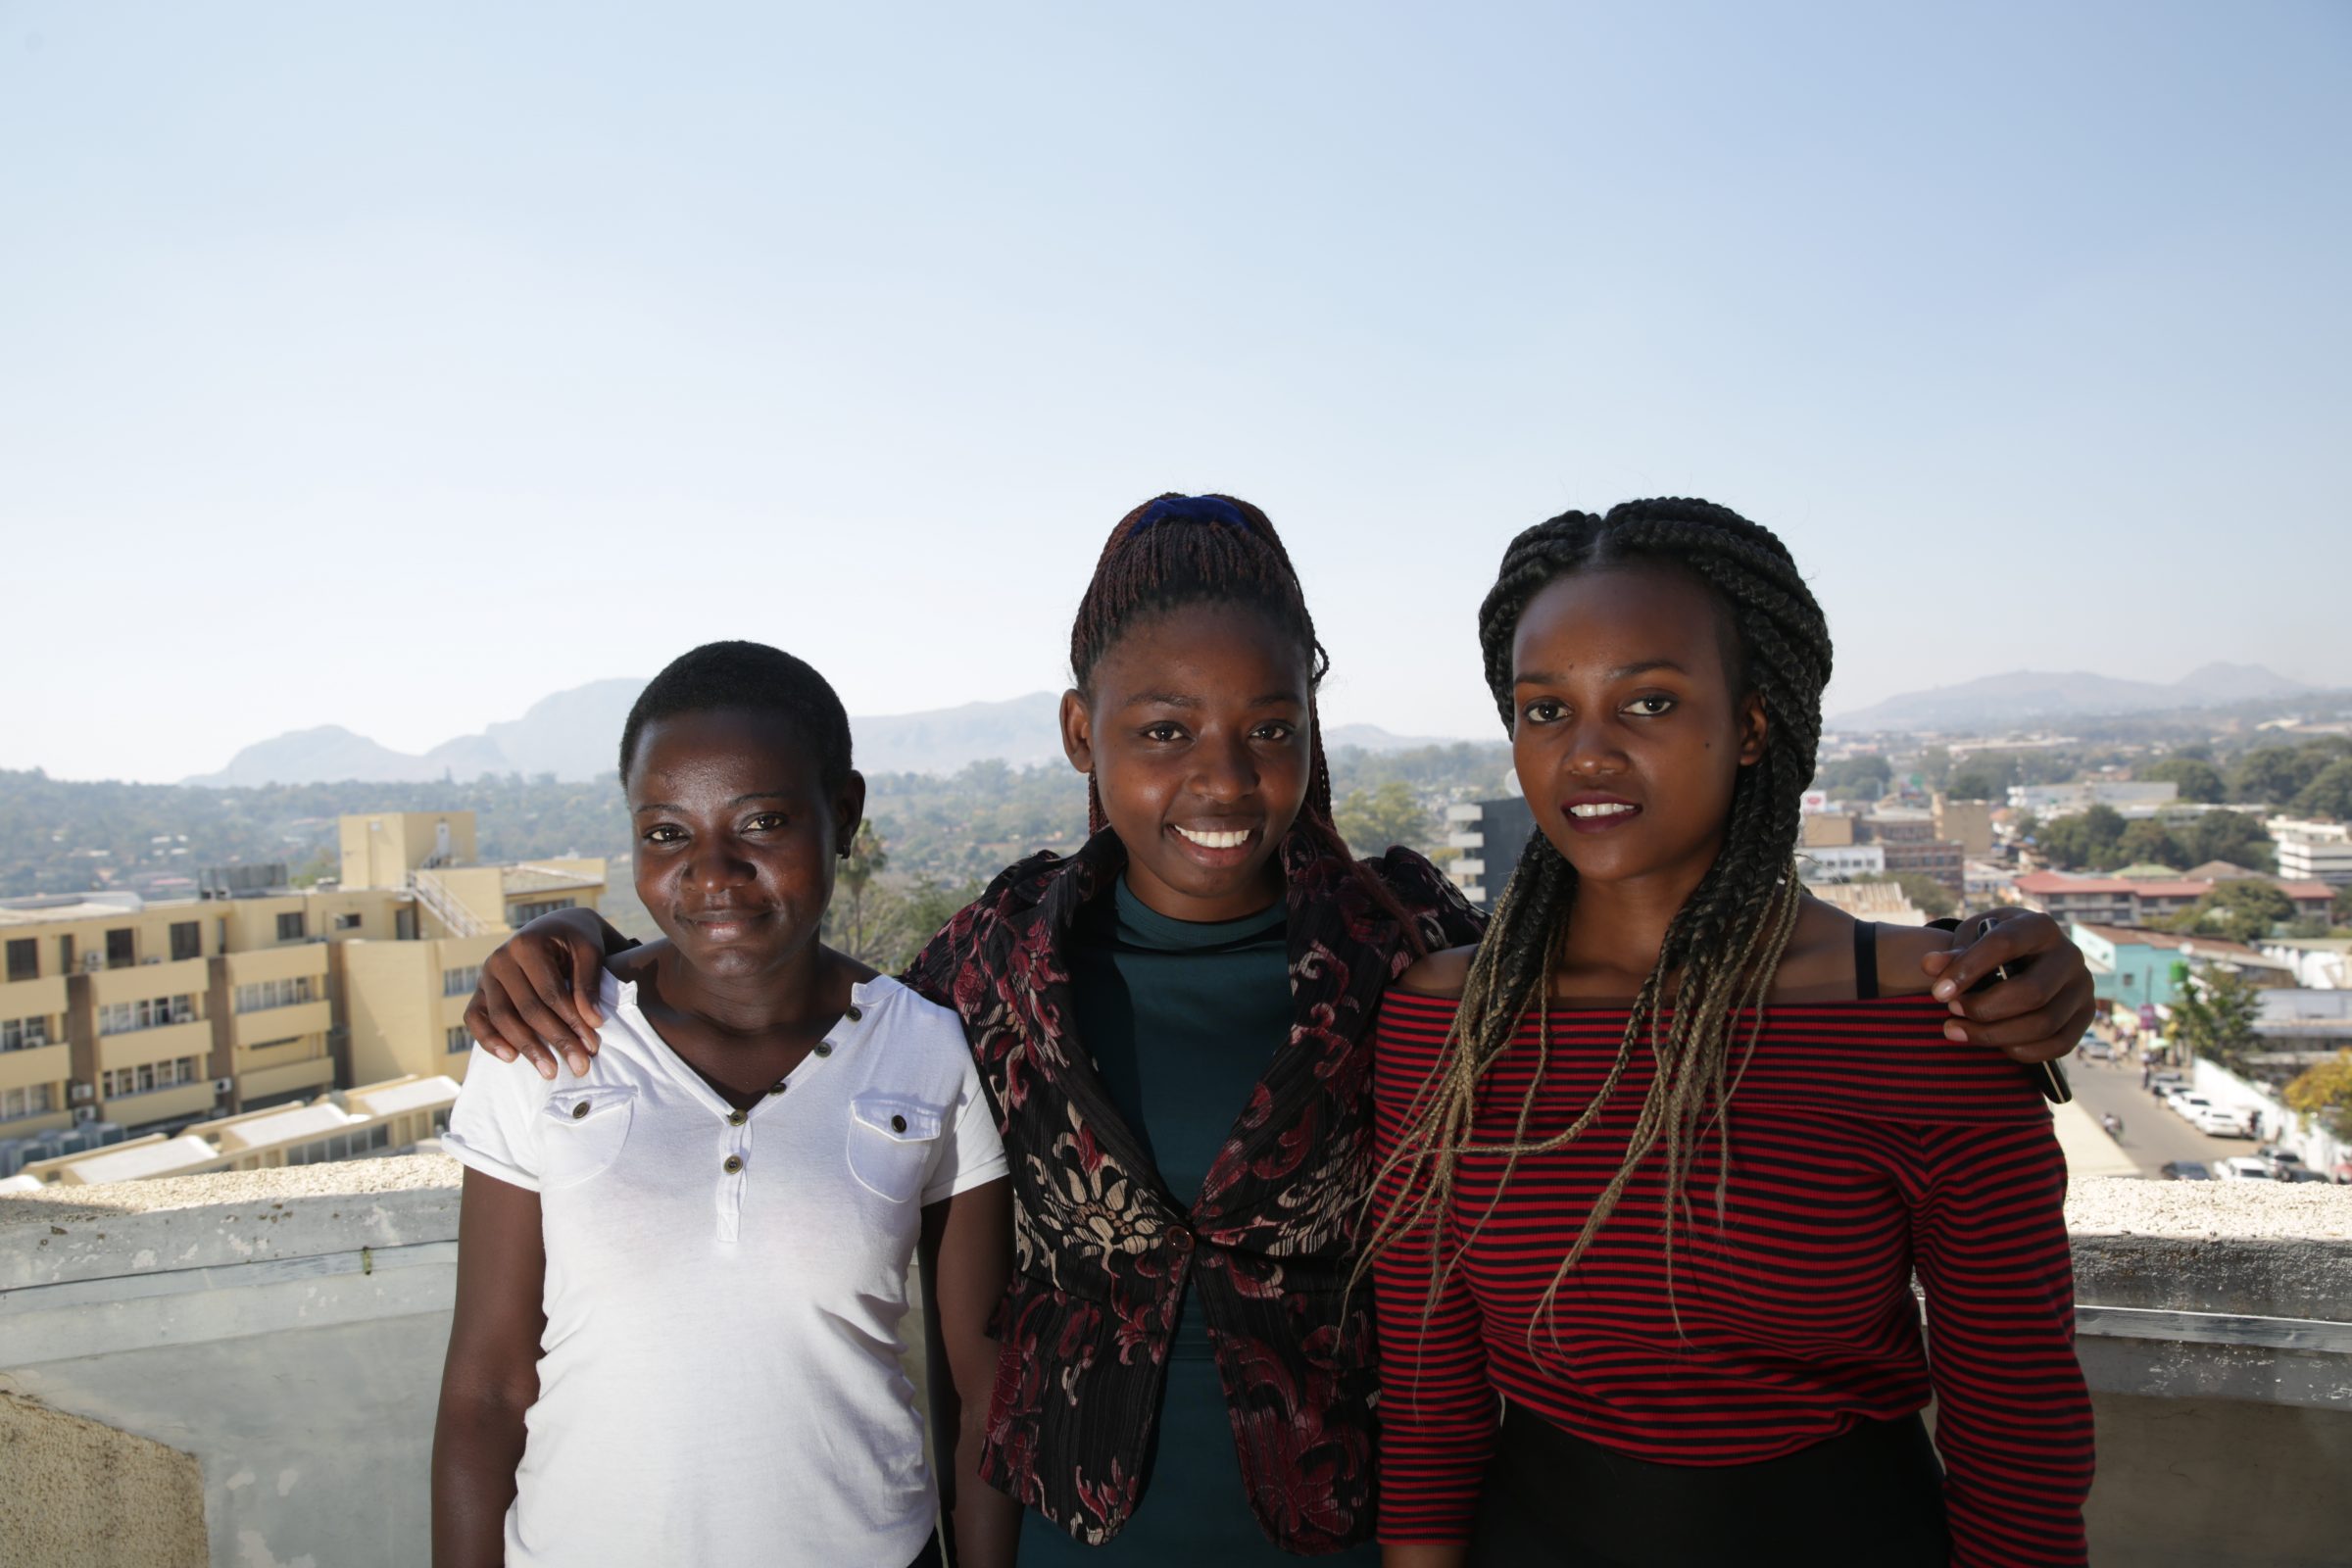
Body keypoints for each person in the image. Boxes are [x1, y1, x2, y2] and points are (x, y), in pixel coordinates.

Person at [462, 497, 2097, 1561]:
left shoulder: (1420, 957)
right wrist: (579, 941)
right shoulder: (993, 963)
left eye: (1269, 729)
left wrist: (1987, 973)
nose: (1222, 781)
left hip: (1347, 1528)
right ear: (1079, 734)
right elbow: (775, 973)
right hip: (1062, 1531)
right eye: (1163, 732)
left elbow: (1664, 958)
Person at [1365, 500, 2092, 1567]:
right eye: (1544, 709)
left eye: (1649, 701)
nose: (1588, 754)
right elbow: (1431, 1409)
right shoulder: (1447, 1022)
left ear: (1754, 722)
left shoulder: (1930, 1013)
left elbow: (2017, 1429)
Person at [430, 642, 1015, 1568]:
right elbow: (487, 1393)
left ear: (845, 814)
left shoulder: (927, 1051)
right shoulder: (545, 1044)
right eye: (666, 833)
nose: (712, 872)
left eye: (762, 823)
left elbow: (982, 1396)